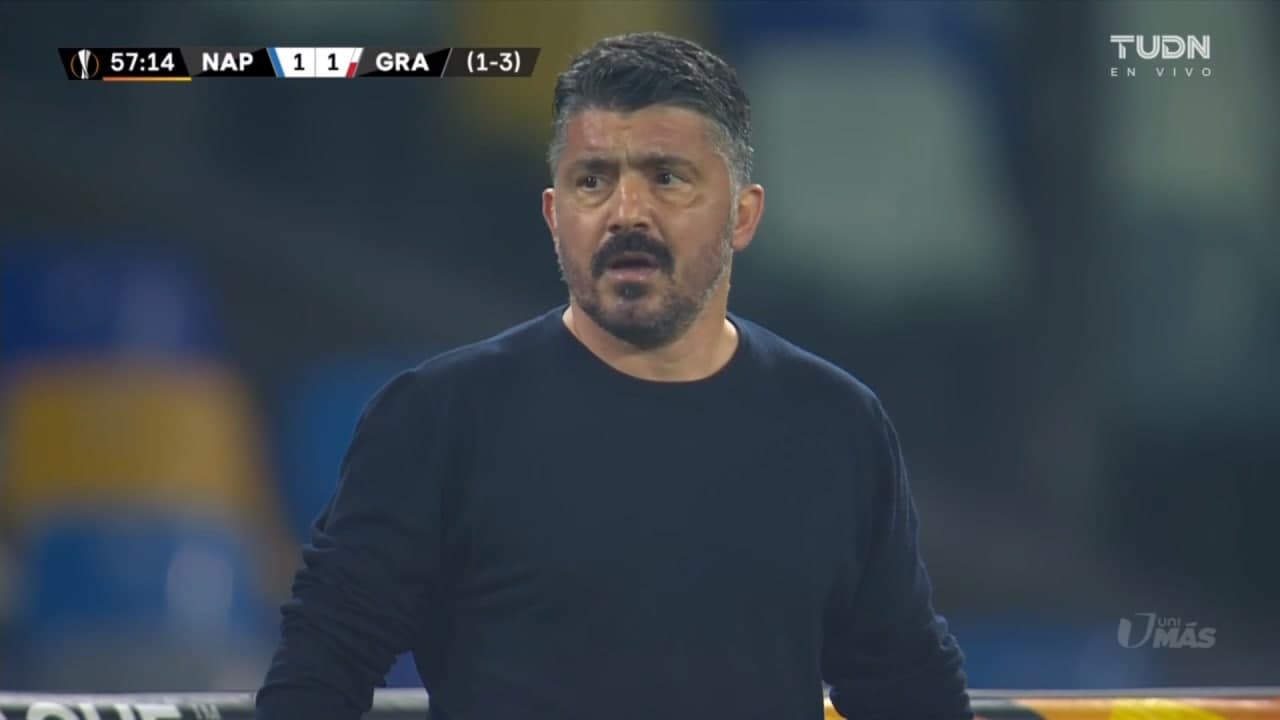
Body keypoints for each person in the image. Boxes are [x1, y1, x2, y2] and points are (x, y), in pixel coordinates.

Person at [256, 31, 973, 720]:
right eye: (592, 181)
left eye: (668, 178)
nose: (627, 213)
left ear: (742, 215)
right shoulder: (441, 420)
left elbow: (908, 690)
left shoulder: (836, 425)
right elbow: (317, 677)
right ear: (554, 214)